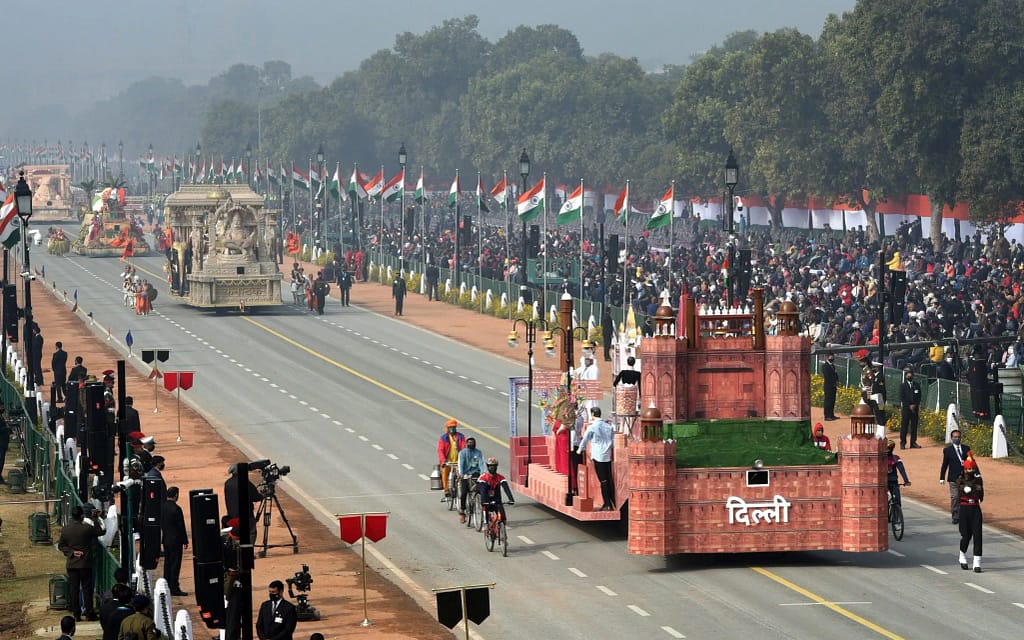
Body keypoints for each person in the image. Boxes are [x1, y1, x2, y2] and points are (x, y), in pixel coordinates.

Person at [58, 505, 104, 621]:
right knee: (87, 589)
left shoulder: (65, 529)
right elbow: (100, 531)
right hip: (85, 563)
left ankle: (76, 614)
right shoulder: (87, 529)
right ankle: (89, 612)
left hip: (72, 564)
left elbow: (61, 546)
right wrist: (95, 519)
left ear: (72, 516)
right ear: (82, 516)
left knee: (74, 589)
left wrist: (72, 552)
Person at [577, 406, 616, 511]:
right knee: (608, 479)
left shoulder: (593, 427)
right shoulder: (609, 426)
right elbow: (613, 442)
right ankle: (611, 502)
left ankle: (607, 503)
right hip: (607, 455)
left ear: (592, 415)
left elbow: (585, 439)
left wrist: (580, 449)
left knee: (603, 480)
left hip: (598, 456)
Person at [956, 454, 984, 573]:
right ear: (965, 469)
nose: (970, 471)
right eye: (968, 469)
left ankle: (977, 563)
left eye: (972, 468)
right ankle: (962, 555)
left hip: (975, 508)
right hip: (964, 508)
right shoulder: (960, 479)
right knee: (966, 536)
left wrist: (973, 488)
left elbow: (980, 494)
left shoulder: (978, 479)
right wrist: (970, 489)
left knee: (978, 536)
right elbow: (962, 490)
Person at [161, 486, 189, 596]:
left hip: (166, 539)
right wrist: (185, 540)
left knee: (168, 563)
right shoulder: (176, 508)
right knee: (175, 564)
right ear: (176, 495)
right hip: (175, 540)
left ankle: (166, 584)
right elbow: (180, 526)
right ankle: (174, 587)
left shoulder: (162, 507)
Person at [940, 429, 972, 524]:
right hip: (953, 478)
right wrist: (942, 477)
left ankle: (966, 516)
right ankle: (956, 516)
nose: (957, 439)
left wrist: (975, 474)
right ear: (951, 438)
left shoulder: (966, 449)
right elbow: (944, 464)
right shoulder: (947, 450)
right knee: (955, 497)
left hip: (965, 478)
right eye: (955, 437)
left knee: (965, 497)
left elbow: (971, 462)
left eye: (958, 437)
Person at [224, 464, 262, 534]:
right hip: (246, 518)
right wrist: (263, 495)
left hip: (231, 517)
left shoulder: (227, 483)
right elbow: (256, 497)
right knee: (252, 531)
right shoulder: (245, 482)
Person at [477, 457, 515, 526]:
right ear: (488, 467)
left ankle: (501, 530)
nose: (492, 468)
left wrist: (511, 499)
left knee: (503, 517)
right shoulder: (483, 478)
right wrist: (484, 501)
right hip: (486, 499)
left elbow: (506, 489)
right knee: (485, 510)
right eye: (491, 466)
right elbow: (482, 491)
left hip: (496, 499)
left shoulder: (500, 477)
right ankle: (486, 525)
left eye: (494, 466)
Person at [457, 436, 485, 524]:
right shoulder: (462, 453)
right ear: (466, 444)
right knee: (464, 492)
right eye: (469, 442)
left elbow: (481, 463)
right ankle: (462, 512)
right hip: (465, 474)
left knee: (481, 490)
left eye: (472, 442)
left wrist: (483, 473)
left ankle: (483, 510)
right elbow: (460, 464)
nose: (471, 444)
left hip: (475, 473)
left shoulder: (478, 452)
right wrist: (461, 474)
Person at [436, 419, 466, 498]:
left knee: (462, 475)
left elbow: (463, 448)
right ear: (447, 428)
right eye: (450, 427)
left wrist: (463, 459)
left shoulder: (461, 437)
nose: (452, 429)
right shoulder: (444, 438)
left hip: (458, 461)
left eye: (453, 427)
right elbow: (440, 450)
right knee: (445, 472)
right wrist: (443, 460)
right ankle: (446, 490)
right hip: (447, 461)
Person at [899, 367, 922, 449]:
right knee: (904, 425)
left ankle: (913, 442)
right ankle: (903, 443)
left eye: (910, 374)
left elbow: (919, 397)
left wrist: (915, 405)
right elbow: (902, 397)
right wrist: (909, 405)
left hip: (915, 408)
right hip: (906, 408)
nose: (909, 375)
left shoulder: (916, 385)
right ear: (905, 376)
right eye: (908, 374)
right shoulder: (902, 385)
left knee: (914, 426)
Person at [885, 440, 911, 506]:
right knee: (882, 501)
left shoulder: (896, 458)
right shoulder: (879, 458)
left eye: (890, 448)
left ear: (892, 449)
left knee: (897, 500)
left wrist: (906, 481)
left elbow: (902, 470)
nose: (888, 450)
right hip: (882, 483)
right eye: (887, 448)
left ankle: (898, 512)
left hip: (893, 481)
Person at [821, 353, 838, 420]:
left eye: (833, 356)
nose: (832, 358)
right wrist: (833, 382)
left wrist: (837, 381)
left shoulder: (833, 366)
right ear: (827, 357)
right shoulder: (825, 366)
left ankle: (831, 414)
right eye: (831, 356)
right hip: (828, 386)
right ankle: (827, 416)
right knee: (828, 400)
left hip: (833, 386)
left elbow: (835, 374)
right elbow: (827, 376)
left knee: (832, 400)